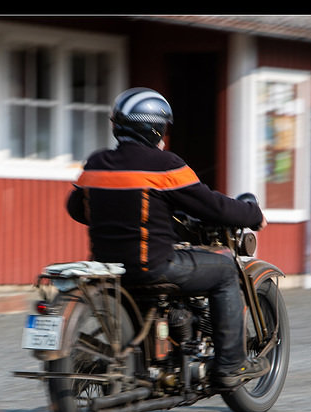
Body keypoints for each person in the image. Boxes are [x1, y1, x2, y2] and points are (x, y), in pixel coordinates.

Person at [66, 87, 269, 390]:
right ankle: (231, 365)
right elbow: (212, 206)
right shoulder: (164, 165)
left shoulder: (97, 163)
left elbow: (77, 207)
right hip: (153, 267)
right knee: (226, 267)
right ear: (155, 128)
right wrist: (253, 214)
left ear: (117, 126)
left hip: (109, 270)